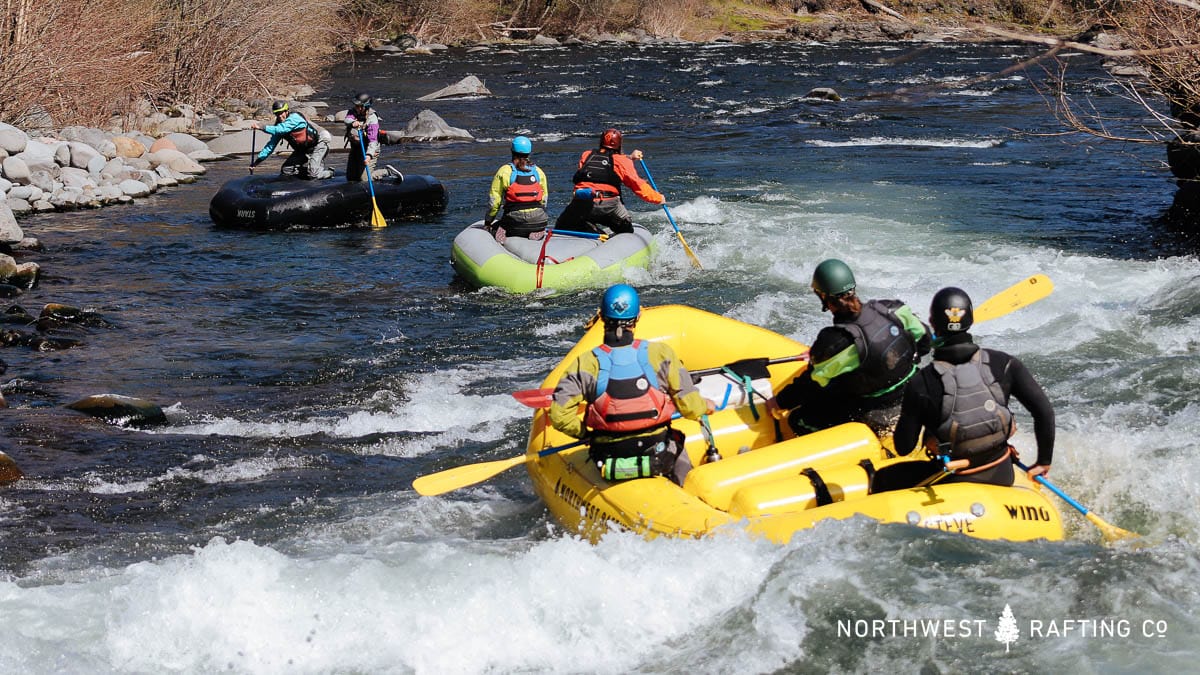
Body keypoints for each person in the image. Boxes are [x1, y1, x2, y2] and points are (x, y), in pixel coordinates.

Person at [875, 286, 1054, 490]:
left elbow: (903, 447)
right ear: (970, 320)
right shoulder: (1004, 363)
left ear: (932, 323)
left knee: (882, 478)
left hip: (953, 477)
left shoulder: (922, 382)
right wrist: (1043, 462)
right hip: (1002, 473)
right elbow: (1044, 412)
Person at [549, 284, 714, 485]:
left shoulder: (585, 363)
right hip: (658, 451)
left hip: (608, 454)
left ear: (601, 317)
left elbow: (558, 416)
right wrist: (706, 406)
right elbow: (691, 408)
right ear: (637, 318)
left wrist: (586, 434)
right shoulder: (661, 353)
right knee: (678, 450)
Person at [771, 258, 931, 439]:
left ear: (822, 296)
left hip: (875, 409)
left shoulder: (835, 342)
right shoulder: (893, 310)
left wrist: (779, 402)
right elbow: (925, 340)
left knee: (798, 419)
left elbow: (810, 385)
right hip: (914, 389)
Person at [554, 128, 665, 236]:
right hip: (608, 206)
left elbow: (604, 162)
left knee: (561, 225)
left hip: (581, 202)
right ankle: (600, 235)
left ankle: (587, 226)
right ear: (619, 144)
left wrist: (629, 157)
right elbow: (638, 185)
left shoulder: (586, 155)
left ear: (601, 141)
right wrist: (658, 198)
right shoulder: (623, 161)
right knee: (627, 230)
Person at [485, 136, 549, 243]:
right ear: (529, 152)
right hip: (539, 220)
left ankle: (502, 231)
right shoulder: (539, 172)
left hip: (514, 222)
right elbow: (544, 200)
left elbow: (494, 203)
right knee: (533, 222)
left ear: (512, 151)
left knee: (496, 226)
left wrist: (488, 221)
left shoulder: (504, 171)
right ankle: (538, 231)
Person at [249, 100, 334, 179]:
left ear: (286, 111)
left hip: (318, 144)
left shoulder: (294, 118)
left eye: (281, 113)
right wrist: (257, 162)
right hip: (303, 149)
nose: (279, 116)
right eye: (277, 113)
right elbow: (270, 146)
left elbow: (281, 129)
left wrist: (261, 126)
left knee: (313, 174)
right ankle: (311, 170)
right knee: (286, 170)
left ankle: (330, 172)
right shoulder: (279, 126)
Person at [344, 93, 380, 182]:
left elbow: (373, 140)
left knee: (364, 179)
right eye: (355, 105)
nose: (355, 107)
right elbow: (347, 119)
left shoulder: (372, 119)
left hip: (369, 150)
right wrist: (352, 123)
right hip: (356, 149)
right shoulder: (352, 112)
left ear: (364, 107)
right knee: (351, 177)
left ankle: (385, 172)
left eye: (358, 105)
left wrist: (368, 155)